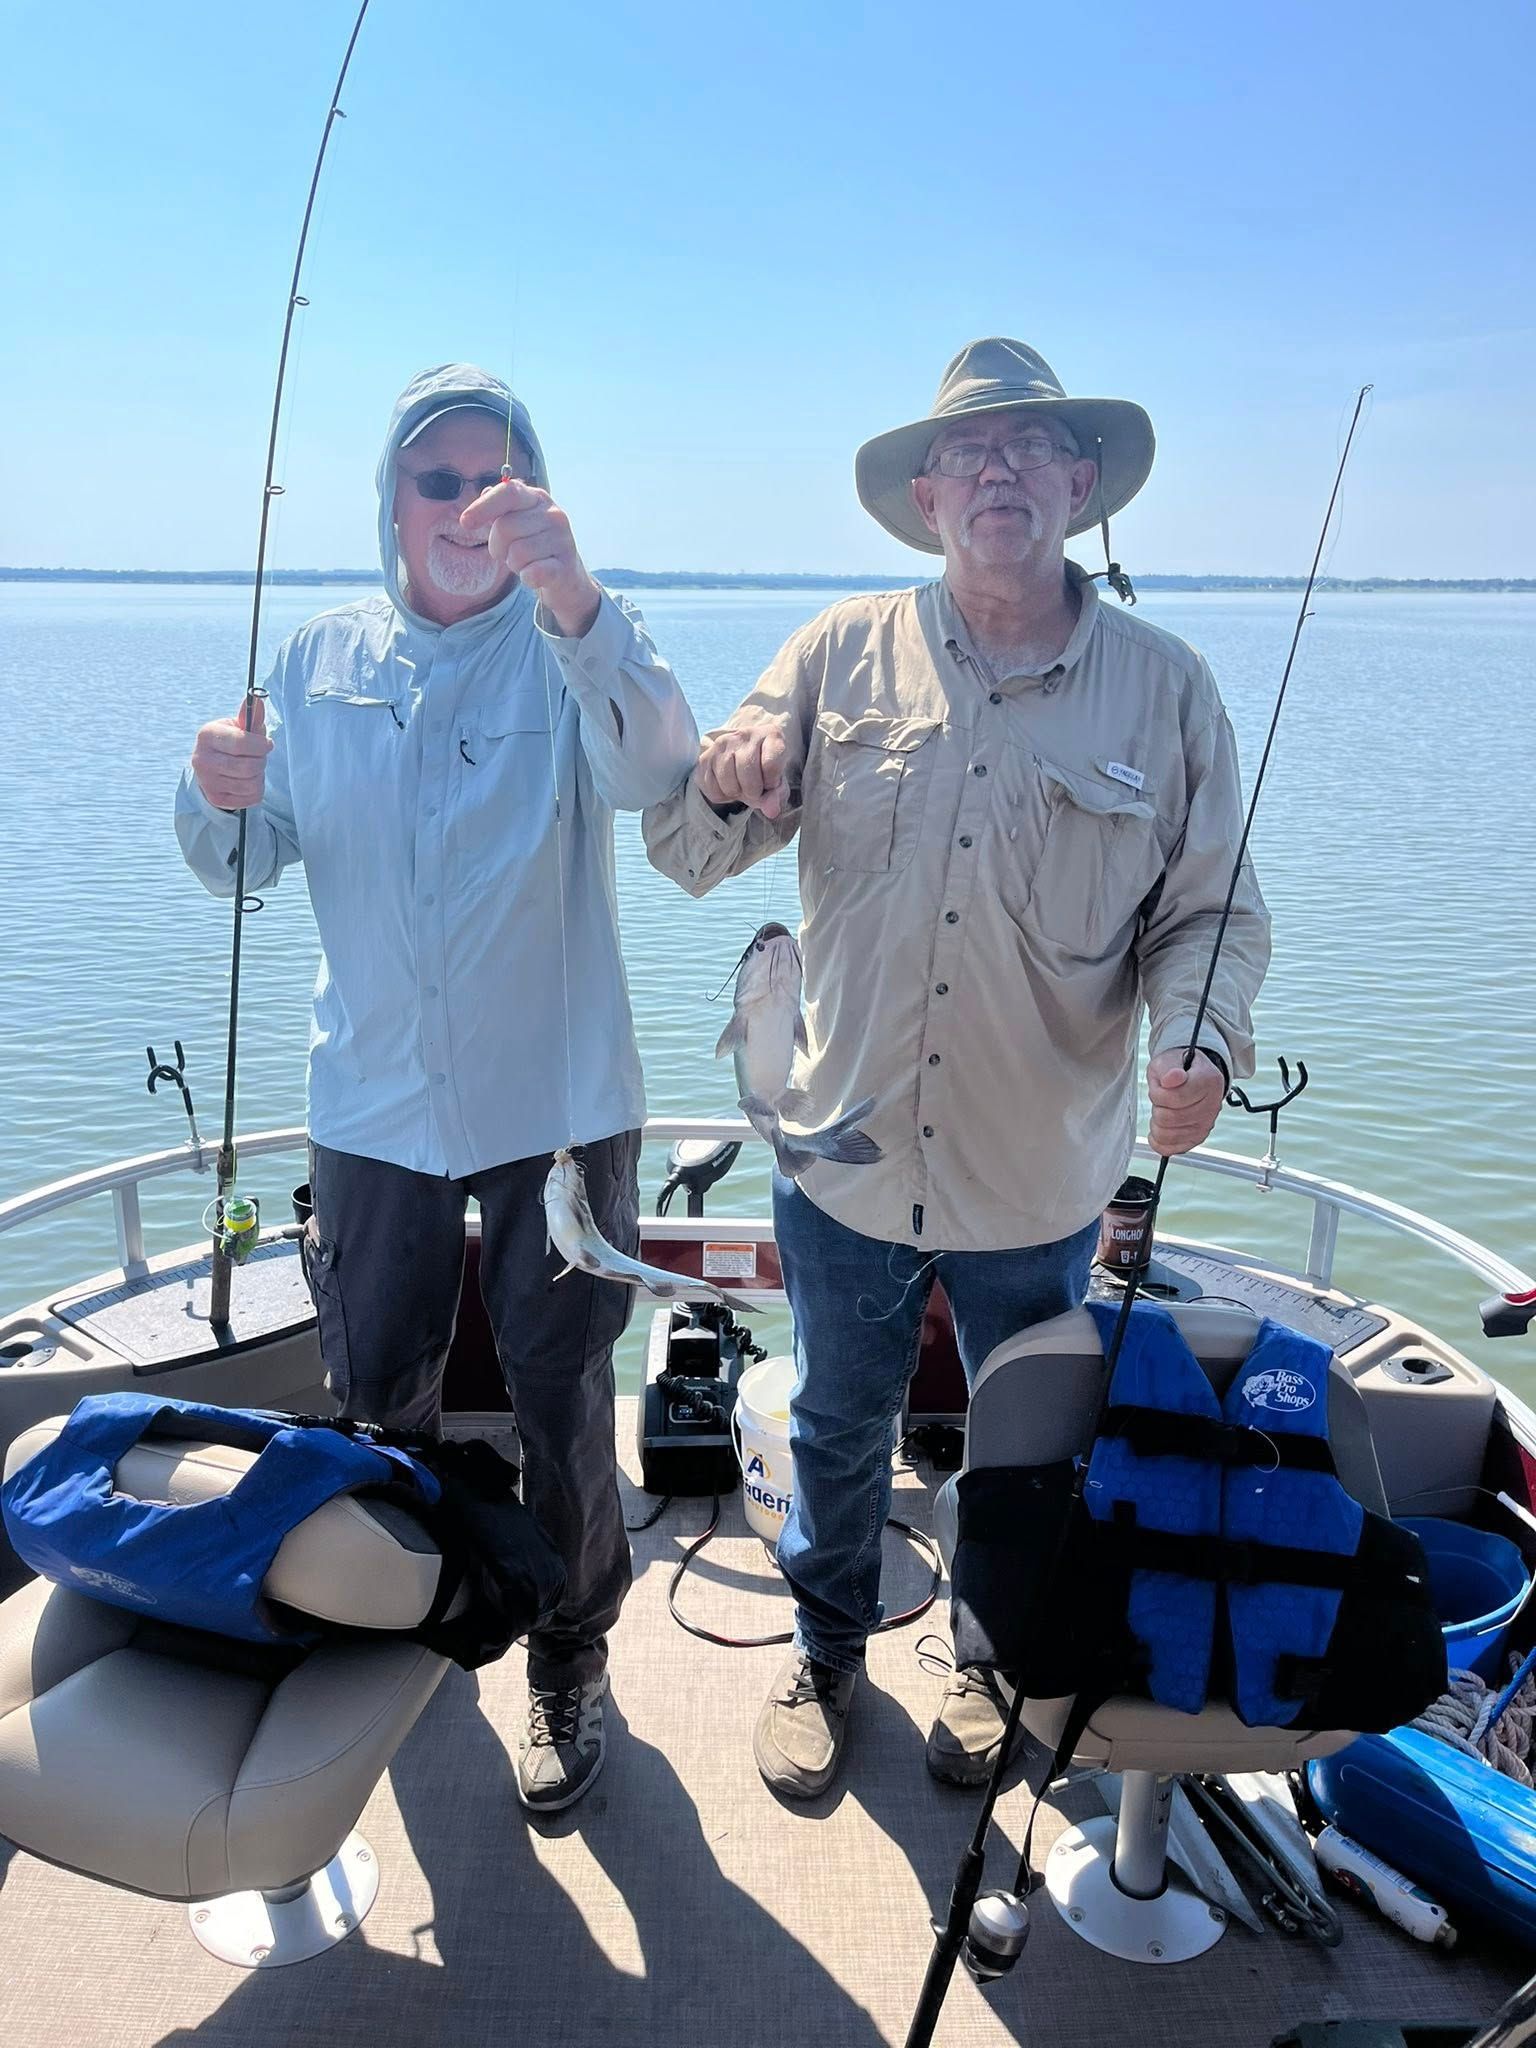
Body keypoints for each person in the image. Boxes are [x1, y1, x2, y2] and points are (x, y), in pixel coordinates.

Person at [644, 337, 1271, 1797]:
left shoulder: (1169, 692)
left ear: (1081, 483)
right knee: (835, 1421)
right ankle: (825, 1653)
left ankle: (992, 1665)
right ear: (927, 494)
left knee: (1027, 1446)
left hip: (1041, 1170)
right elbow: (689, 856)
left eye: (1030, 448)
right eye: (969, 455)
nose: (999, 473)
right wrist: (723, 771)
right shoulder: (831, 652)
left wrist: (1201, 1043)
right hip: (839, 1157)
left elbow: (1215, 914)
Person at [177, 363, 699, 1813]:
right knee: (374, 1389)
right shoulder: (314, 659)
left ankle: (569, 1657)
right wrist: (211, 786)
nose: (467, 507)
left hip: (561, 1107)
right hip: (370, 1108)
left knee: (562, 1397)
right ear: (391, 503)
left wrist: (580, 599)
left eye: (497, 480)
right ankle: (398, 1616)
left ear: (541, 496)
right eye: (438, 480)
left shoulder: (580, 634)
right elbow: (241, 864)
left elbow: (664, 768)